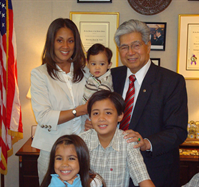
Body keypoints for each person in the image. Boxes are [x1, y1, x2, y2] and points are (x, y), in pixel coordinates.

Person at [111, 19, 188, 187]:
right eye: (124, 47)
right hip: (113, 170)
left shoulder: (171, 81)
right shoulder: (111, 77)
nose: (130, 52)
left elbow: (178, 131)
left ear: (148, 45)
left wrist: (146, 143)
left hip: (154, 171)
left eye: (136, 45)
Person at [30, 18, 90, 184]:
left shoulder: (86, 72)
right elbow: (43, 117)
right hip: (52, 152)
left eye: (70, 41)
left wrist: (91, 119)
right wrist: (78, 111)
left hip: (83, 151)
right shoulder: (39, 74)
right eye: (60, 40)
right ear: (51, 42)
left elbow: (94, 104)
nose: (65, 46)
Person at [80, 90, 155, 187]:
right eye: (96, 113)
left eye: (108, 113)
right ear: (89, 116)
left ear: (120, 116)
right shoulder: (82, 141)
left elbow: (143, 179)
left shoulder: (128, 142)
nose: (101, 118)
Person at [41, 135, 105, 187]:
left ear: (82, 160)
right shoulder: (49, 183)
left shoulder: (94, 183)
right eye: (59, 158)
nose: (64, 164)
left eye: (71, 158)